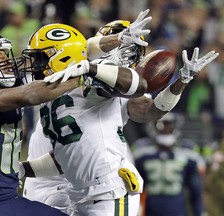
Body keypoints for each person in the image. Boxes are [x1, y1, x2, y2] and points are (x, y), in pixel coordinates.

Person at [21, 9, 218, 215]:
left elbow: (149, 108)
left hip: (104, 187)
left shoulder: (102, 76)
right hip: (75, 186)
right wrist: (23, 169)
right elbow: (65, 155)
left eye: (128, 46)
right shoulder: (74, 71)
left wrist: (181, 81)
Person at [22, 14, 150, 215]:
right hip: (78, 193)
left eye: (39, 58)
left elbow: (139, 87)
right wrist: (22, 170)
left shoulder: (94, 80)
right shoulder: (52, 91)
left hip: (107, 190)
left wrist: (91, 68)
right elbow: (62, 158)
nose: (33, 64)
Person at [0, 30, 87, 216]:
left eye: (6, 54)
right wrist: (82, 77)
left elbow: (59, 51)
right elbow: (29, 94)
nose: (6, 59)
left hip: (10, 199)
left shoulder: (10, 84)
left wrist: (113, 41)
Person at [132, 112, 206, 216]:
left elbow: (196, 191)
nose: (164, 129)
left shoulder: (187, 153)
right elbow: (134, 188)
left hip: (177, 210)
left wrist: (199, 212)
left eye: (168, 125)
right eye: (160, 125)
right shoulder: (142, 152)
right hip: (151, 210)